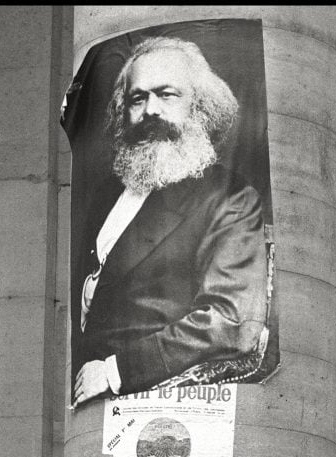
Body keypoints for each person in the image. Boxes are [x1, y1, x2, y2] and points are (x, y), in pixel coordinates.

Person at [72, 35, 269, 406]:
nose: (151, 111)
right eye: (138, 98)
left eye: (167, 95)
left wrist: (115, 371)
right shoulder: (108, 191)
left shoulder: (230, 198)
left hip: (143, 394)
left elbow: (228, 321)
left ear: (200, 108)